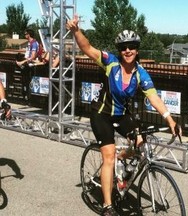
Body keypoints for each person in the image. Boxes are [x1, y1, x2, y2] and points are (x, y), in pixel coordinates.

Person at [66, 15, 181, 216]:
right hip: (101, 114)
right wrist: (76, 31)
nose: (127, 50)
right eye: (123, 47)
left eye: (131, 47)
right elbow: (87, 48)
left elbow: (153, 97)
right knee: (108, 156)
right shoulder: (110, 63)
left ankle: (121, 160)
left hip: (121, 115)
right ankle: (108, 205)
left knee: (140, 143)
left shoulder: (141, 73)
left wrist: (169, 119)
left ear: (137, 50)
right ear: (119, 50)